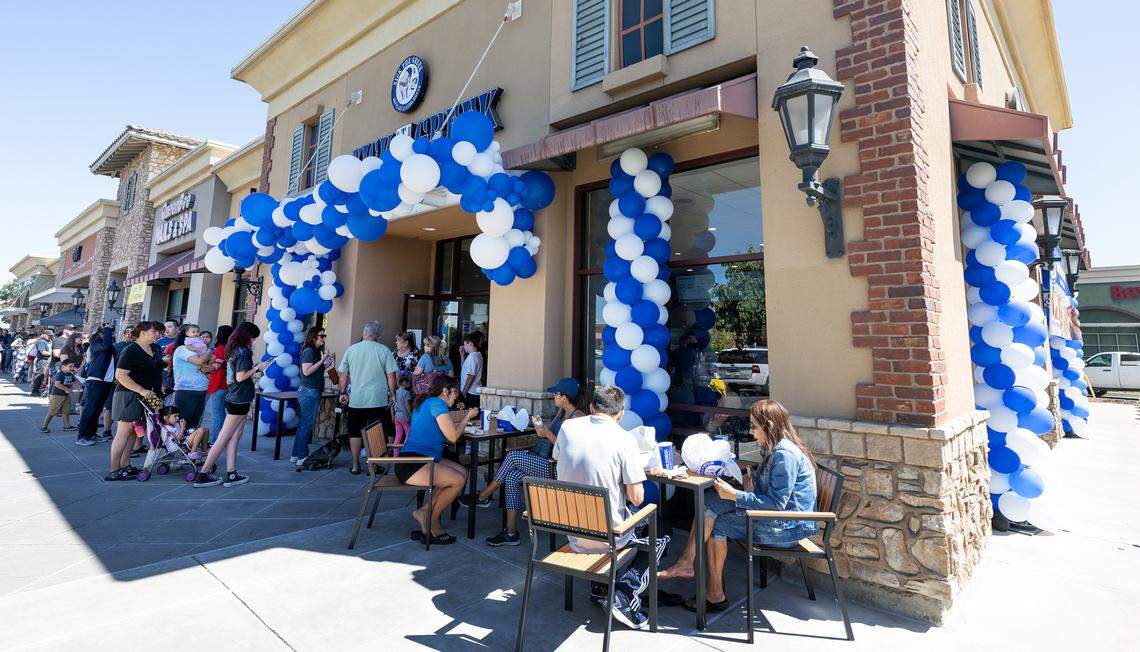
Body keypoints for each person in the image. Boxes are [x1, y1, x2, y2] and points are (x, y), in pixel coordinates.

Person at [658, 400, 818, 612]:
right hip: (777, 519)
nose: (751, 432)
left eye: (753, 426)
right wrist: (746, 478)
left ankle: (714, 594)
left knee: (717, 523)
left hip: (786, 528)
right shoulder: (773, 448)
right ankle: (687, 563)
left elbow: (777, 505)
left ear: (768, 426)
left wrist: (735, 494)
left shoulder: (783, 455)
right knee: (709, 502)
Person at [553, 385, 668, 631]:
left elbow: (559, 459)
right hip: (607, 539)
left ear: (591, 408)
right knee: (659, 527)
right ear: (621, 415)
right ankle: (626, 593)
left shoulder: (567, 428)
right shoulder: (624, 439)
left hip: (571, 532)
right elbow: (636, 498)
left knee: (603, 506)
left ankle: (600, 586)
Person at [463, 377, 588, 546]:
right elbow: (553, 433)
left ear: (564, 397)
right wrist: (541, 426)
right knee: (512, 477)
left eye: (556, 394)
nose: (553, 397)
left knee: (513, 457)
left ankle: (484, 495)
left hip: (558, 469)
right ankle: (511, 532)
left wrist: (547, 434)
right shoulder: (562, 412)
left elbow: (568, 450)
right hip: (546, 461)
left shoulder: (578, 418)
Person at [397, 374, 479, 545]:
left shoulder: (429, 402)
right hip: (413, 464)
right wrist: (466, 418)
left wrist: (459, 423)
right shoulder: (437, 404)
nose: (457, 395)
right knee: (456, 481)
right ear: (445, 391)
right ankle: (431, 520)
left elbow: (447, 435)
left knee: (462, 473)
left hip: (420, 458)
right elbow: (453, 437)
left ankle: (425, 511)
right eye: (455, 392)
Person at [192, 322, 266, 488]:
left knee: (234, 436)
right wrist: (258, 368)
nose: (253, 341)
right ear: (247, 335)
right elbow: (240, 376)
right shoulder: (243, 351)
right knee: (224, 437)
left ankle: (231, 472)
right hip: (239, 398)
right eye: (253, 337)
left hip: (235, 396)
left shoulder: (233, 349)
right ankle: (203, 473)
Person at [337, 320, 399, 475]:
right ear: (377, 335)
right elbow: (391, 376)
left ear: (364, 333)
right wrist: (393, 394)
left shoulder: (351, 350)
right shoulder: (384, 350)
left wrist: (343, 392)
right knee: (375, 433)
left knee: (355, 432)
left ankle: (355, 465)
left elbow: (343, 375)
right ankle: (373, 466)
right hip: (377, 399)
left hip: (356, 399)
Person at [107, 322, 165, 481]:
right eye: (154, 331)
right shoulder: (131, 350)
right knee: (124, 431)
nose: (157, 334)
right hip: (128, 395)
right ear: (143, 333)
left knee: (134, 430)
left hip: (147, 396)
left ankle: (126, 465)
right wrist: (141, 390)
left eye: (158, 332)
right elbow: (120, 375)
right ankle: (114, 470)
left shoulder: (154, 349)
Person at [291, 326, 331, 465]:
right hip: (309, 391)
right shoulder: (308, 351)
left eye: (325, 336)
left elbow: (319, 370)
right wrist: (322, 360)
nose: (324, 338)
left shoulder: (316, 352)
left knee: (303, 424)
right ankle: (302, 456)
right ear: (314, 337)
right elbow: (307, 371)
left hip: (312, 390)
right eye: (322, 336)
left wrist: (328, 361)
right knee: (307, 425)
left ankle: (296, 454)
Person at [172, 335, 215, 452]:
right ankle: (175, 453)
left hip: (201, 392)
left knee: (193, 426)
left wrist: (209, 365)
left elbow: (211, 367)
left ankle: (188, 451)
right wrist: (209, 351)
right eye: (194, 335)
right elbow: (201, 361)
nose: (198, 338)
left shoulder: (200, 352)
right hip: (186, 392)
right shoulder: (182, 349)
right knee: (182, 424)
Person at [76, 324, 116, 446]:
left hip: (106, 381)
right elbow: (106, 345)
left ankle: (91, 434)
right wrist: (107, 330)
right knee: (90, 409)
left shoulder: (105, 344)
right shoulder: (95, 344)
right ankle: (82, 436)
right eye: (109, 333)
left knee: (97, 410)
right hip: (95, 380)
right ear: (101, 333)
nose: (112, 335)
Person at [203, 324, 232, 446]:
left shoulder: (220, 348)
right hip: (226, 384)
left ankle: (216, 441)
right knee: (223, 414)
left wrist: (202, 367)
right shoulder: (230, 348)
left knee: (217, 414)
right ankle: (224, 439)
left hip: (218, 384)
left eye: (217, 332)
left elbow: (215, 367)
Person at [40, 359, 79, 433]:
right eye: (70, 366)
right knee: (52, 411)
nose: (72, 368)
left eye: (73, 366)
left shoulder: (70, 374)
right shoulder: (60, 374)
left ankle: (67, 426)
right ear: (63, 367)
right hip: (57, 395)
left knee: (66, 411)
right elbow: (57, 384)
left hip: (66, 396)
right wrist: (66, 389)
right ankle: (44, 427)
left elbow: (75, 382)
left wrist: (80, 387)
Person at [459, 333, 484, 409]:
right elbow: (465, 369)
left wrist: (463, 393)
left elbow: (471, 376)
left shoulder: (472, 356)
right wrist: (462, 356)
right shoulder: (477, 355)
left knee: (469, 416)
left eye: (465, 344)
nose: (463, 346)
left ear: (470, 343)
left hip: (471, 392)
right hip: (473, 391)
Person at [392, 375, 412, 447]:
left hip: (397, 416)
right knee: (408, 434)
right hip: (404, 417)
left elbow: (393, 404)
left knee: (398, 436)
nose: (410, 384)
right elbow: (408, 407)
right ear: (404, 382)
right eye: (409, 382)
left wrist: (392, 416)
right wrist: (411, 416)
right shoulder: (406, 393)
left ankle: (395, 456)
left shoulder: (396, 392)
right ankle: (406, 452)